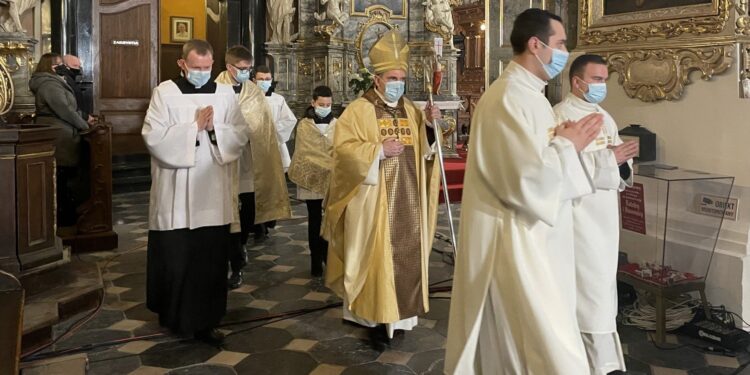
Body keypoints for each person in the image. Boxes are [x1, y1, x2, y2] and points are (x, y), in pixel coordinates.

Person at [444, 9, 604, 374]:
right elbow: (521, 180)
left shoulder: (531, 96)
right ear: (536, 44)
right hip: (514, 240)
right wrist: (567, 146)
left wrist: (564, 141)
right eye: (561, 44)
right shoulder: (509, 98)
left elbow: (540, 162)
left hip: (536, 237)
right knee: (547, 349)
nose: (564, 52)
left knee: (525, 345)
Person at [322, 29, 444, 339]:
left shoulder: (412, 110)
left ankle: (400, 318)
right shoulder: (358, 110)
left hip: (408, 199)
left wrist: (430, 127)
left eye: (401, 78)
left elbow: (427, 150)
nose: (397, 84)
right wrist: (377, 151)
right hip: (374, 201)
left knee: (405, 257)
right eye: (392, 78)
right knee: (374, 258)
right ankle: (371, 316)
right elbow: (343, 152)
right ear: (377, 80)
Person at [143, 39, 248, 345]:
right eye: (196, 67)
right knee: (177, 258)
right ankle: (174, 317)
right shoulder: (165, 92)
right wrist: (194, 128)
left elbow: (240, 133)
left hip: (211, 192)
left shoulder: (225, 93)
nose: (203, 73)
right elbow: (152, 136)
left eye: (207, 67)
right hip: (174, 194)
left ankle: (206, 321)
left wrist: (216, 130)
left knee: (210, 260)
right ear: (182, 64)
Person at [553, 54, 637, 375]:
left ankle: (604, 364)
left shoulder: (605, 116)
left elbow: (616, 161)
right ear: (578, 82)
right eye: (597, 79)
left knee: (601, 291)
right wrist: (607, 160)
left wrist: (620, 161)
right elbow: (558, 169)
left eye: (604, 79)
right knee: (583, 294)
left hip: (604, 220)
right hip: (577, 220)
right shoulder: (560, 117)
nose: (602, 86)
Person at [215, 45, 292, 289]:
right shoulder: (214, 89)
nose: (248, 73)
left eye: (249, 69)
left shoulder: (253, 92)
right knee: (226, 214)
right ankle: (234, 263)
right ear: (229, 67)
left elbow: (265, 126)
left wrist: (253, 135)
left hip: (249, 161)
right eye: (244, 69)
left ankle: (243, 244)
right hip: (222, 162)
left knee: (247, 207)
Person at [30, 53, 95, 227]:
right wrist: (84, 125)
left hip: (63, 132)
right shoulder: (49, 84)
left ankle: (67, 215)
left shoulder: (53, 81)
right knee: (62, 178)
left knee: (65, 178)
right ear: (49, 66)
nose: (61, 68)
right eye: (58, 64)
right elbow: (64, 109)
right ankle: (64, 220)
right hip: (60, 135)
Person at [288, 85, 336, 277]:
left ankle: (328, 257)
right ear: (313, 103)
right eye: (321, 104)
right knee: (315, 220)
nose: (325, 107)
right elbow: (303, 152)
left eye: (328, 104)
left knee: (331, 220)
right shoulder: (304, 125)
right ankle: (315, 260)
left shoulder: (338, 124)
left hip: (332, 178)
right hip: (310, 179)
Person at [252, 65, 297, 233]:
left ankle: (270, 218)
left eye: (267, 79)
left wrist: (271, 131)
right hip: (253, 148)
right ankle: (256, 224)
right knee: (255, 186)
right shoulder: (247, 98)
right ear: (253, 80)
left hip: (273, 147)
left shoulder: (277, 99)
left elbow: (289, 120)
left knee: (272, 186)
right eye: (261, 79)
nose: (264, 82)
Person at [57, 54, 92, 120]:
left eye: (79, 66)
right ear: (65, 65)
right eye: (75, 66)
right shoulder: (63, 78)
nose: (78, 68)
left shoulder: (70, 77)